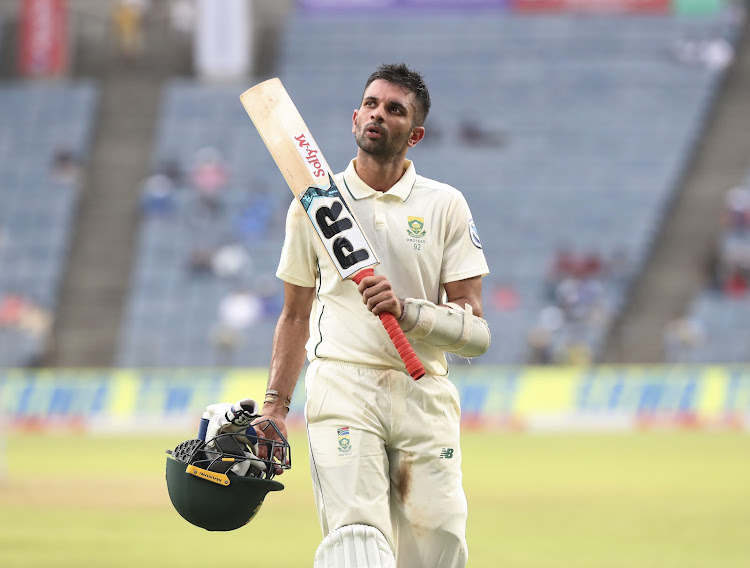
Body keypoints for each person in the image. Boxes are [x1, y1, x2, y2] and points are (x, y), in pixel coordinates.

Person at [251, 63, 490, 568]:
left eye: (395, 110)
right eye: (373, 104)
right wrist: (275, 405)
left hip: (422, 390)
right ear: (354, 117)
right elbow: (295, 316)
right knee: (355, 543)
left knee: (438, 545)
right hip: (344, 386)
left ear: (416, 133)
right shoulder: (313, 204)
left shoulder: (446, 205)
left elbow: (476, 331)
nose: (379, 114)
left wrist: (408, 312)